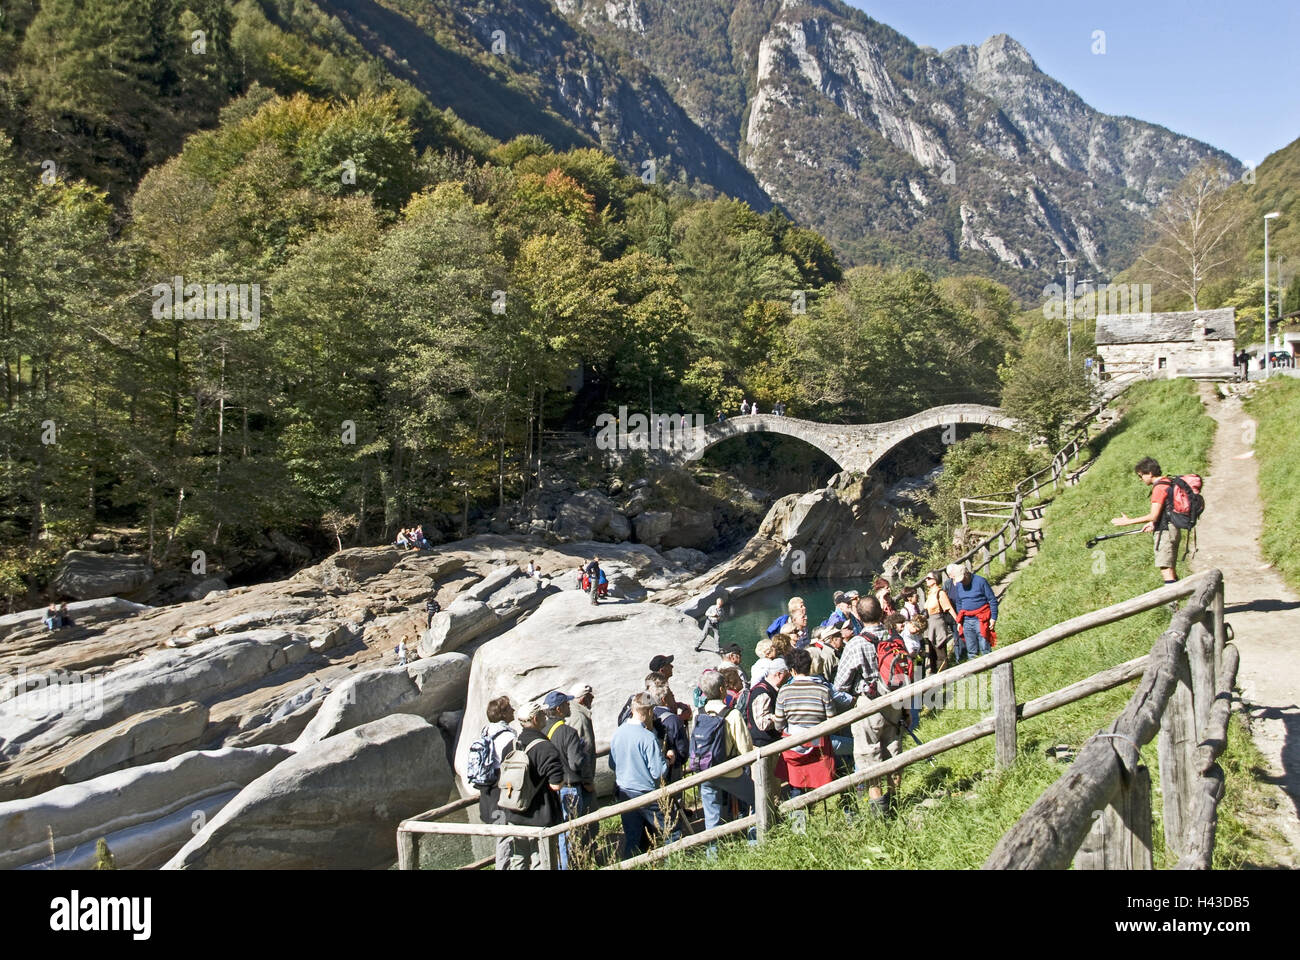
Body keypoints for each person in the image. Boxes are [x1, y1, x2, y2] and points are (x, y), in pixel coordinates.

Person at [833, 596, 901, 816]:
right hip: (895, 700)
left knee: (869, 755)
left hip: (868, 703)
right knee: (893, 750)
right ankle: (896, 802)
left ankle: (879, 812)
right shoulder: (893, 636)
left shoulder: (856, 643)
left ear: (859, 618)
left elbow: (840, 684)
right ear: (881, 613)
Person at [773, 648, 844, 830]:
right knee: (831, 776)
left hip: (793, 744)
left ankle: (799, 828)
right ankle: (840, 819)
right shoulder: (822, 689)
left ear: (792, 670)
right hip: (818, 743)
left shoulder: (784, 691)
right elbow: (832, 719)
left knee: (796, 783)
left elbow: (779, 724)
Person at [694, 669, 755, 852]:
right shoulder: (732, 714)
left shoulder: (698, 713)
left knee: (711, 816)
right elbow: (745, 749)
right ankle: (755, 843)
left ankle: (713, 855)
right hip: (730, 771)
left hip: (706, 771)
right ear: (722, 689)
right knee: (757, 799)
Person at [500, 699, 565, 870]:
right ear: (536, 719)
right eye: (542, 714)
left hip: (514, 813)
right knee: (541, 862)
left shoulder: (510, 746)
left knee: (518, 859)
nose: (545, 716)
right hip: (540, 816)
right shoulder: (545, 748)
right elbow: (556, 785)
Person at [608, 692, 671, 860]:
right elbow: (658, 772)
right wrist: (667, 761)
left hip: (625, 792)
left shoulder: (618, 733)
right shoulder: (648, 737)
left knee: (633, 838)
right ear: (649, 711)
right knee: (670, 832)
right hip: (647, 794)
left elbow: (612, 764)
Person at [1110, 456, 1181, 585]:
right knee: (1170, 568)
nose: (1140, 479)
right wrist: (1153, 523)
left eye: (1141, 475)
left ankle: (1175, 597)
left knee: (1166, 569)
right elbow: (1167, 509)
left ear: (1150, 473)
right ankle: (1180, 594)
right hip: (1173, 528)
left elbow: (1153, 515)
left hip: (1165, 532)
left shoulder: (1159, 488)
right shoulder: (1168, 481)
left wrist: (1128, 521)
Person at [541, 691, 588, 869]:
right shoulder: (568, 732)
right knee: (570, 834)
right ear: (559, 709)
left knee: (558, 833)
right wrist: (583, 753)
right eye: (566, 704)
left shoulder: (542, 731)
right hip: (569, 787)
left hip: (550, 789)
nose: (569, 706)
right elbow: (575, 763)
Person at [476, 696, 519, 870]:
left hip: (488, 791)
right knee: (505, 835)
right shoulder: (507, 736)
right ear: (503, 714)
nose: (513, 710)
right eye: (510, 708)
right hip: (503, 791)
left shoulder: (486, 731)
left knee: (502, 833)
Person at [945, 562, 998, 659]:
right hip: (967, 620)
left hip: (981, 618)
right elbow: (959, 603)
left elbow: (992, 600)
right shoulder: (959, 585)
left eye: (963, 579)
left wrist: (993, 618)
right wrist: (960, 621)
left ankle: (989, 665)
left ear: (966, 574)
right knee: (971, 650)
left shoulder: (981, 581)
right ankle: (975, 667)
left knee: (984, 647)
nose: (962, 582)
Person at [567, 684, 598, 846]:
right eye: (590, 696)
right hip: (581, 781)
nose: (593, 698)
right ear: (583, 699)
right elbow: (584, 751)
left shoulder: (571, 713)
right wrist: (587, 781)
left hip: (572, 779)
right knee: (589, 822)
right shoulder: (579, 717)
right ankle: (589, 853)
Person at [923, 570, 957, 673]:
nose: (926, 580)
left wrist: (958, 621)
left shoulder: (940, 593)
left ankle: (943, 672)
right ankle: (934, 672)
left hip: (938, 623)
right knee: (932, 650)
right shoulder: (930, 594)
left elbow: (949, 608)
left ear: (935, 580)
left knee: (940, 649)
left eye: (929, 578)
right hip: (930, 624)